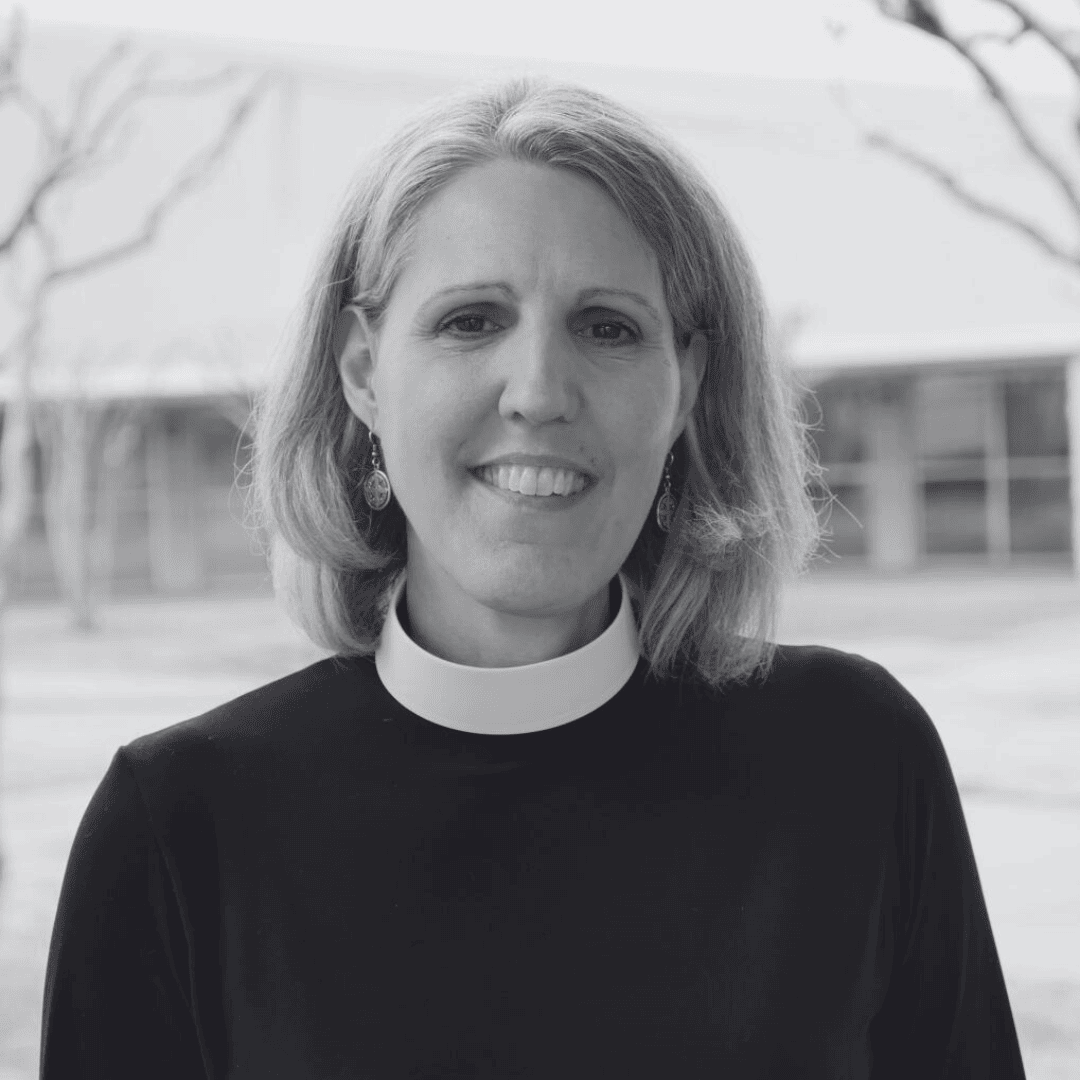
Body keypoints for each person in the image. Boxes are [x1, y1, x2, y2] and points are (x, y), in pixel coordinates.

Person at [40, 76, 1026, 1078]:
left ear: (683, 385)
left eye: (607, 326)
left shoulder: (852, 760)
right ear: (362, 373)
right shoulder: (177, 828)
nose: (541, 393)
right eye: (472, 320)